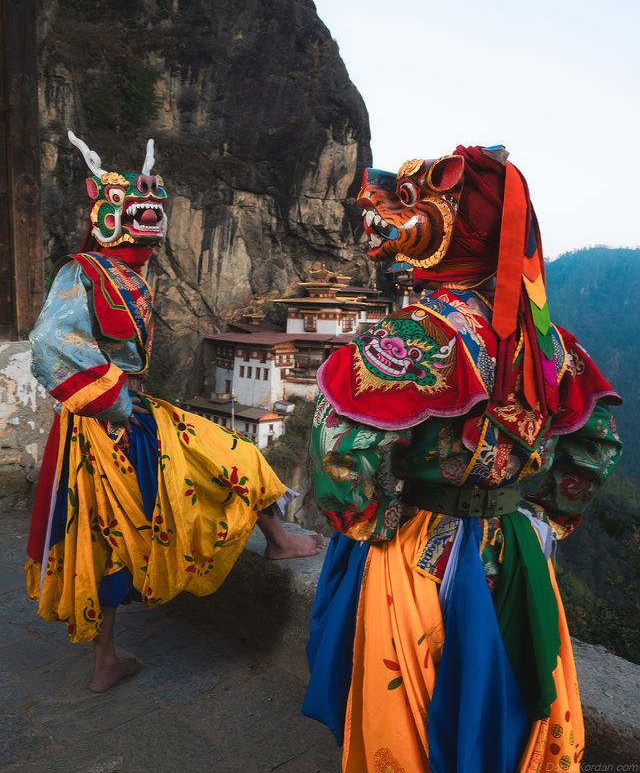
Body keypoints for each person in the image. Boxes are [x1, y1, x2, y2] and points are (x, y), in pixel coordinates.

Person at [302, 146, 622, 772]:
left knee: (416, 712)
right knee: (505, 704)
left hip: (421, 548)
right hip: (513, 542)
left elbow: (337, 441)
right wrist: (549, 520)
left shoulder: (409, 336)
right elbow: (597, 441)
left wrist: (370, 520)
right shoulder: (551, 342)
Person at [26, 131, 323, 693]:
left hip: (116, 415)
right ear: (105, 216)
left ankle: (106, 660)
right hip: (107, 422)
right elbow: (50, 345)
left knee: (112, 526)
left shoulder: (119, 274)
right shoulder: (83, 272)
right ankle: (108, 658)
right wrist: (115, 401)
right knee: (110, 530)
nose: (149, 220)